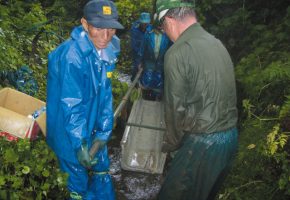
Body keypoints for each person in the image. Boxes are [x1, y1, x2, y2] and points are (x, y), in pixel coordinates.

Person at [155, 0, 239, 199]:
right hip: (230, 139)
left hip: (203, 143)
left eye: (162, 26)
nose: (165, 32)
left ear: (169, 20)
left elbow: (174, 108)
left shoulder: (177, 52)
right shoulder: (216, 43)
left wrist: (172, 146)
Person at [46, 0, 124, 199]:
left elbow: (105, 96)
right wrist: (80, 145)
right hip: (69, 129)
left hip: (93, 125)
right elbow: (71, 105)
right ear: (85, 23)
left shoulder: (109, 49)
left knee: (101, 169)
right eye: (98, 27)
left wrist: (103, 131)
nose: (105, 36)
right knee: (77, 178)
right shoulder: (72, 56)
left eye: (111, 29)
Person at [138, 23, 172, 100]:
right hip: (148, 62)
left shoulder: (167, 35)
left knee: (158, 82)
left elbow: (171, 48)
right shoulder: (148, 34)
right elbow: (142, 49)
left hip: (161, 63)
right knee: (146, 81)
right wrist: (140, 62)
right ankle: (145, 97)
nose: (160, 26)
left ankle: (157, 98)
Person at [130, 12, 152, 81]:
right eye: (144, 23)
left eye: (146, 24)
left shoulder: (150, 28)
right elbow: (134, 45)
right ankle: (134, 81)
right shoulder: (135, 29)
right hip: (137, 52)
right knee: (136, 68)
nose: (145, 25)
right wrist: (140, 59)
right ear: (140, 22)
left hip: (147, 53)